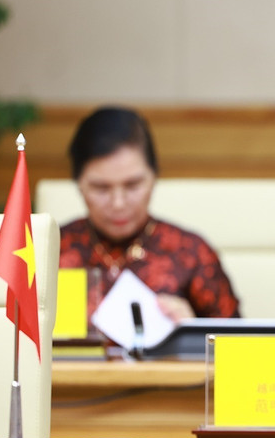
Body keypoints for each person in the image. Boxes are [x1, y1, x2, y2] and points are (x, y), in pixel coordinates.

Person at [58, 106, 240, 322]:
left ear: (154, 177)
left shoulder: (191, 253)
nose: (118, 203)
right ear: (78, 184)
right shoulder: (52, 251)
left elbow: (238, 339)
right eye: (101, 188)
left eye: (133, 185)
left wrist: (192, 331)